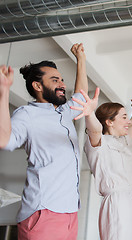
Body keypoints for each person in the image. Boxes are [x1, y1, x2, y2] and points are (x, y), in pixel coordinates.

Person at [0, 43, 87, 239]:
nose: (62, 84)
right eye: (55, 80)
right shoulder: (28, 114)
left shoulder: (64, 112)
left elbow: (81, 96)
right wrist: (4, 91)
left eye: (62, 80)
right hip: (44, 212)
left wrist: (81, 60)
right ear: (37, 86)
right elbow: (4, 140)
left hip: (70, 212)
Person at [71, 88, 132, 239]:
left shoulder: (122, 142)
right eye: (124, 117)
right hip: (118, 203)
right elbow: (95, 129)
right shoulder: (98, 143)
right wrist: (89, 114)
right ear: (109, 122)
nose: (129, 121)